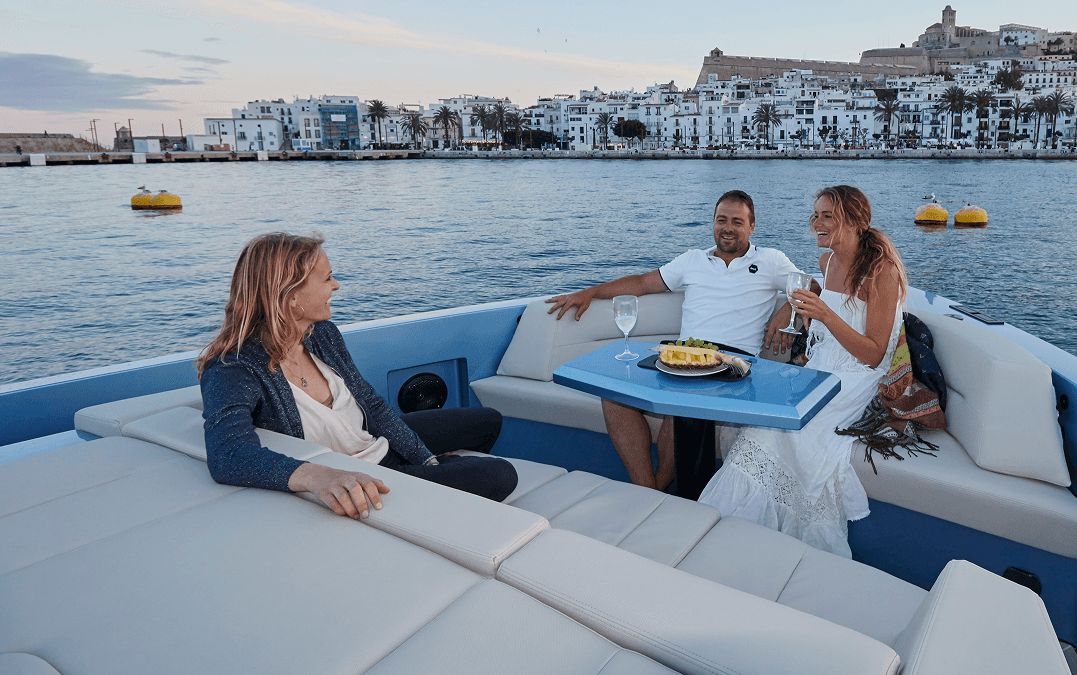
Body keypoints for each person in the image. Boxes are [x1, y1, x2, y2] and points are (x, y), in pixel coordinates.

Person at [199, 232, 517, 518]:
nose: (335, 286)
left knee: (489, 419)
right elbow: (228, 454)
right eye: (327, 279)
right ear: (290, 295)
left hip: (368, 437)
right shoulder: (232, 368)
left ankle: (440, 479)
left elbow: (370, 403)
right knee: (501, 475)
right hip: (362, 470)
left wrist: (425, 460)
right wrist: (318, 476)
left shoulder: (321, 333)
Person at [546, 190, 799, 494]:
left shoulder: (770, 260)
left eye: (737, 221)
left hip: (733, 364)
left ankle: (648, 496)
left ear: (752, 226)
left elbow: (808, 285)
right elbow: (642, 282)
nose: (728, 228)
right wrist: (590, 292)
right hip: (682, 356)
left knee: (681, 407)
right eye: (721, 220)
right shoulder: (693, 260)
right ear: (713, 223)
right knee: (613, 397)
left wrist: (788, 308)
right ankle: (647, 493)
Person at [699, 185, 906, 558]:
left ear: (856, 222)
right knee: (761, 428)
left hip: (856, 377)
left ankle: (751, 545)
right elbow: (822, 314)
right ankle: (727, 541)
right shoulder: (827, 263)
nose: (817, 223)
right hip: (822, 367)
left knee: (784, 434)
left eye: (828, 216)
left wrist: (824, 313)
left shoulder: (882, 272)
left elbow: (874, 355)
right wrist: (798, 311)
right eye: (816, 214)